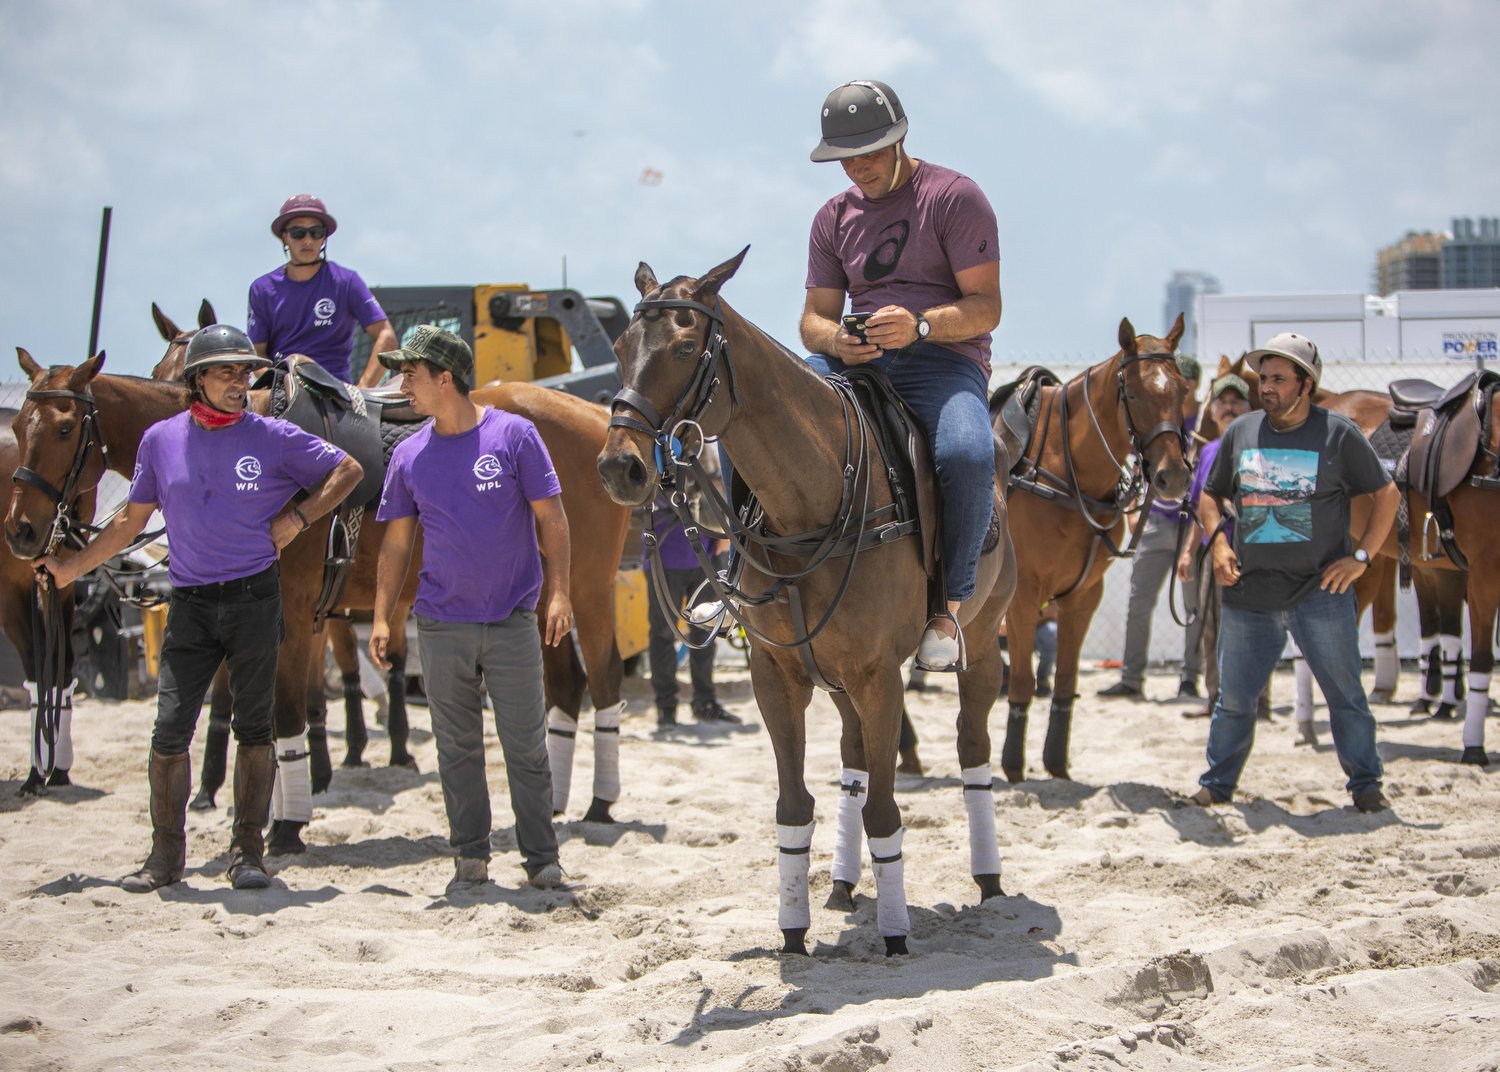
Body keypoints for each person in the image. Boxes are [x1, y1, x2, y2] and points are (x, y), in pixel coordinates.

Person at [35, 325, 361, 891]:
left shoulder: (273, 435)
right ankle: (165, 858)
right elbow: (128, 523)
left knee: (253, 728)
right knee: (169, 731)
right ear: (197, 380)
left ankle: (248, 853)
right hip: (190, 605)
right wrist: (68, 568)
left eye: (245, 372)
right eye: (226, 372)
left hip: (256, 601)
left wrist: (299, 518)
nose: (240, 382)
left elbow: (348, 470)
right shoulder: (160, 441)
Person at [801, 79, 1001, 672]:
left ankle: (948, 607)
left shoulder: (956, 197)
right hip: (855, 361)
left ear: (901, 136)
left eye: (869, 152)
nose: (857, 167)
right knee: (756, 412)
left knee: (968, 453)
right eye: (845, 158)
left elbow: (986, 307)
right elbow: (813, 319)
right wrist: (837, 339)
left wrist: (917, 326)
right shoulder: (831, 218)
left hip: (944, 361)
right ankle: (741, 570)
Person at [367, 324, 571, 893]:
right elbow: (397, 544)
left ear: (444, 377)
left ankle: (541, 858)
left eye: (410, 373)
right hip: (440, 623)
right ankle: (471, 855)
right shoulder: (408, 454)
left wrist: (559, 592)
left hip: (510, 619)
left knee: (525, 744)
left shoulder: (515, 435)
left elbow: (551, 518)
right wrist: (384, 616)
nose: (402, 384)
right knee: (455, 748)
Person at [1186, 333, 1398, 812]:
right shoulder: (1241, 432)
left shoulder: (1339, 434)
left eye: (1279, 378)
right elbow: (1209, 495)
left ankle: (1366, 786)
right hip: (1248, 593)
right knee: (1234, 701)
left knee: (1346, 697)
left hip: (1320, 592)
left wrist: (1362, 558)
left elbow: (1388, 495)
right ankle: (1217, 786)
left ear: (1307, 383)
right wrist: (1218, 540)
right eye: (1263, 378)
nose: (1267, 387)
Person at [1099, 354, 1204, 699]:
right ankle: (1131, 679)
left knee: (1193, 606)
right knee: (1139, 601)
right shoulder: (1151, 421)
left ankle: (1189, 678)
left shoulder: (1205, 426)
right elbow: (1129, 462)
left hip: (1192, 524)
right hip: (1156, 520)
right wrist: (1131, 511)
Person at [1175, 373, 1273, 724]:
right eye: (1223, 402)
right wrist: (1188, 551)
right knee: (1211, 627)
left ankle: (1260, 702)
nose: (1229, 407)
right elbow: (1200, 507)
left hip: (1252, 550)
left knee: (1256, 626)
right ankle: (1215, 697)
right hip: (1210, 551)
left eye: (1236, 401)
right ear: (1212, 410)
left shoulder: (1262, 446)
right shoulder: (1208, 452)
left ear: (1249, 408)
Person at [247, 194, 398, 387]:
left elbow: (386, 335)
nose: (308, 240)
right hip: (282, 389)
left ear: (324, 237)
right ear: (284, 237)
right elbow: (257, 353)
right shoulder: (262, 289)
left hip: (336, 393)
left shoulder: (347, 282)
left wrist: (363, 390)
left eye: (315, 232)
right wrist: (279, 385)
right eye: (298, 233)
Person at [645, 492, 740, 728]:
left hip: (704, 554)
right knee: (663, 634)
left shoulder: (701, 455)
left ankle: (705, 703)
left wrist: (724, 529)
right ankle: (666, 707)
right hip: (664, 554)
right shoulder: (653, 455)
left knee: (706, 632)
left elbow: (717, 482)